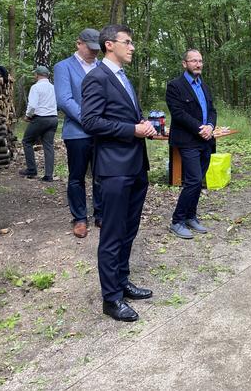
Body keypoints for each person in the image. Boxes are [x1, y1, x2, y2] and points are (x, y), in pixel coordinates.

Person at [81, 24, 156, 322]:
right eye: (128, 42)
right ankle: (110, 299)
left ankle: (122, 282)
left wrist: (143, 125)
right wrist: (132, 130)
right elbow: (90, 122)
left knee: (129, 230)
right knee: (112, 234)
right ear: (109, 45)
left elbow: (124, 116)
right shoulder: (97, 78)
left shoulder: (124, 79)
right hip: (113, 169)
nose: (132, 47)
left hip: (136, 166)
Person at [54, 29, 103, 239]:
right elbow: (64, 100)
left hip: (103, 132)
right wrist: (89, 121)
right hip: (77, 132)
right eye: (90, 48)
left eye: (97, 49)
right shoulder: (63, 67)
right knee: (77, 177)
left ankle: (101, 214)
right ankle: (80, 218)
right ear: (78, 44)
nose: (94, 53)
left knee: (102, 175)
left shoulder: (102, 67)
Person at [165, 49, 218, 240]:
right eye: (194, 61)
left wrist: (210, 126)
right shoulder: (175, 86)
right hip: (188, 140)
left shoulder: (203, 85)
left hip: (206, 140)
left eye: (200, 61)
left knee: (199, 181)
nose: (198, 64)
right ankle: (177, 220)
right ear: (184, 63)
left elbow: (212, 110)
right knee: (193, 180)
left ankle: (190, 216)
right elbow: (178, 113)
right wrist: (200, 128)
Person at [20, 66, 58, 182]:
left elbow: (32, 105)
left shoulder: (36, 87)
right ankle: (48, 175)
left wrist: (28, 116)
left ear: (37, 75)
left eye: (35, 74)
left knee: (27, 141)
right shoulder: (54, 87)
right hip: (53, 119)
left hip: (40, 118)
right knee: (48, 146)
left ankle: (31, 170)